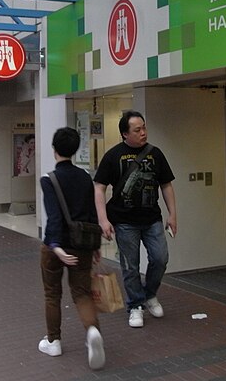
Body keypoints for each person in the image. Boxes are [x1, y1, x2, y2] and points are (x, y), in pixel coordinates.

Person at [94, 110, 177, 329]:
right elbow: (99, 187)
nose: (142, 133)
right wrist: (103, 219)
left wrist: (173, 214)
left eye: (144, 128)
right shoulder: (113, 156)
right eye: (137, 130)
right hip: (124, 221)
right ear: (124, 134)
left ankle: (149, 294)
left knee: (160, 258)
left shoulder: (155, 153)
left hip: (152, 219)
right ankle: (135, 306)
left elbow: (166, 184)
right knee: (130, 266)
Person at [38, 127, 105, 370]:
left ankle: (53, 341)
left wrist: (55, 246)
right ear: (76, 149)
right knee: (82, 293)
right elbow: (91, 213)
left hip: (56, 248)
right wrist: (95, 245)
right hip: (82, 245)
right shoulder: (85, 177)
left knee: (52, 294)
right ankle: (92, 332)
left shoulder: (49, 179)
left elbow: (53, 216)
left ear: (54, 149)